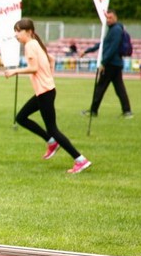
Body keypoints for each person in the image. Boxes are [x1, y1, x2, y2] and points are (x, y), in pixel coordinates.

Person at [5, 18, 92, 174]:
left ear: (29, 32)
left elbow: (33, 68)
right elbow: (51, 59)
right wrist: (49, 76)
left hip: (45, 92)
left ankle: (80, 159)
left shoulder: (30, 45)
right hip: (45, 91)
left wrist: (14, 71)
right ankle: (51, 142)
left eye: (18, 31)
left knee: (53, 129)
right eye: (15, 31)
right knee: (21, 117)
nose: (16, 34)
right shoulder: (35, 43)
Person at [80, 9, 132, 118]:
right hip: (116, 64)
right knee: (119, 88)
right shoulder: (113, 29)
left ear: (116, 18)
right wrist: (87, 51)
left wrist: (103, 63)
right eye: (107, 18)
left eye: (110, 17)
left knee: (100, 87)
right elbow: (103, 44)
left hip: (111, 64)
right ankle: (127, 111)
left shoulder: (116, 30)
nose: (108, 20)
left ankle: (93, 111)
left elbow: (112, 48)